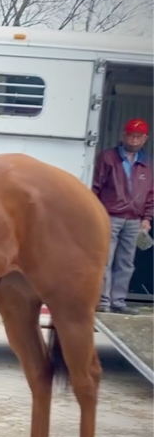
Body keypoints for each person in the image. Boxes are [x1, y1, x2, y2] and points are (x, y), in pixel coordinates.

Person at [93, 118, 153, 315]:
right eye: (131, 135)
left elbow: (151, 194)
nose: (134, 140)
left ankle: (118, 301)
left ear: (145, 138)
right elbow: (96, 186)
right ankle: (103, 301)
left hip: (135, 220)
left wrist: (147, 218)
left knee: (126, 262)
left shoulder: (147, 164)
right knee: (106, 260)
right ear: (123, 135)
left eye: (138, 137)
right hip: (110, 216)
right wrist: (95, 214)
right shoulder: (108, 157)